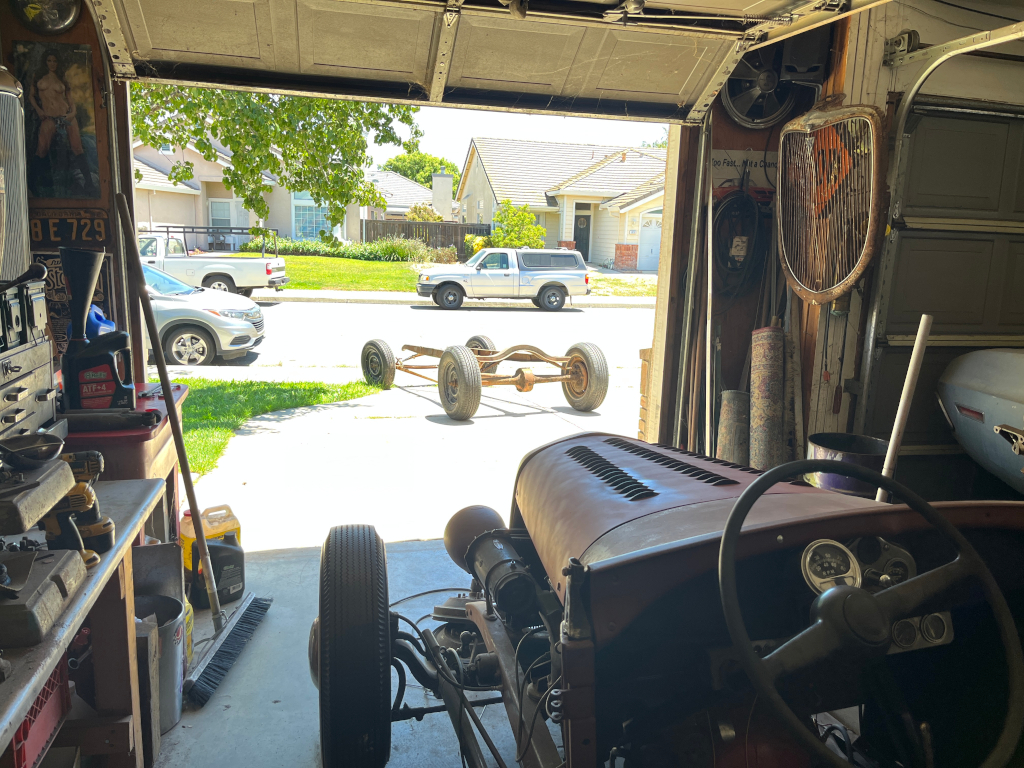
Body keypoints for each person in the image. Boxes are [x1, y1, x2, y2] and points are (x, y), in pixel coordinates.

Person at [27, 49, 96, 196]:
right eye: (49, 60)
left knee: (77, 149)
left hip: (66, 116)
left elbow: (72, 102)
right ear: (45, 62)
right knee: (41, 150)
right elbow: (31, 96)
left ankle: (89, 183)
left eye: (55, 61)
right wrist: (39, 111)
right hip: (49, 117)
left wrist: (72, 114)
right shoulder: (38, 77)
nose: (52, 63)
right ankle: (31, 184)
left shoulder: (62, 79)